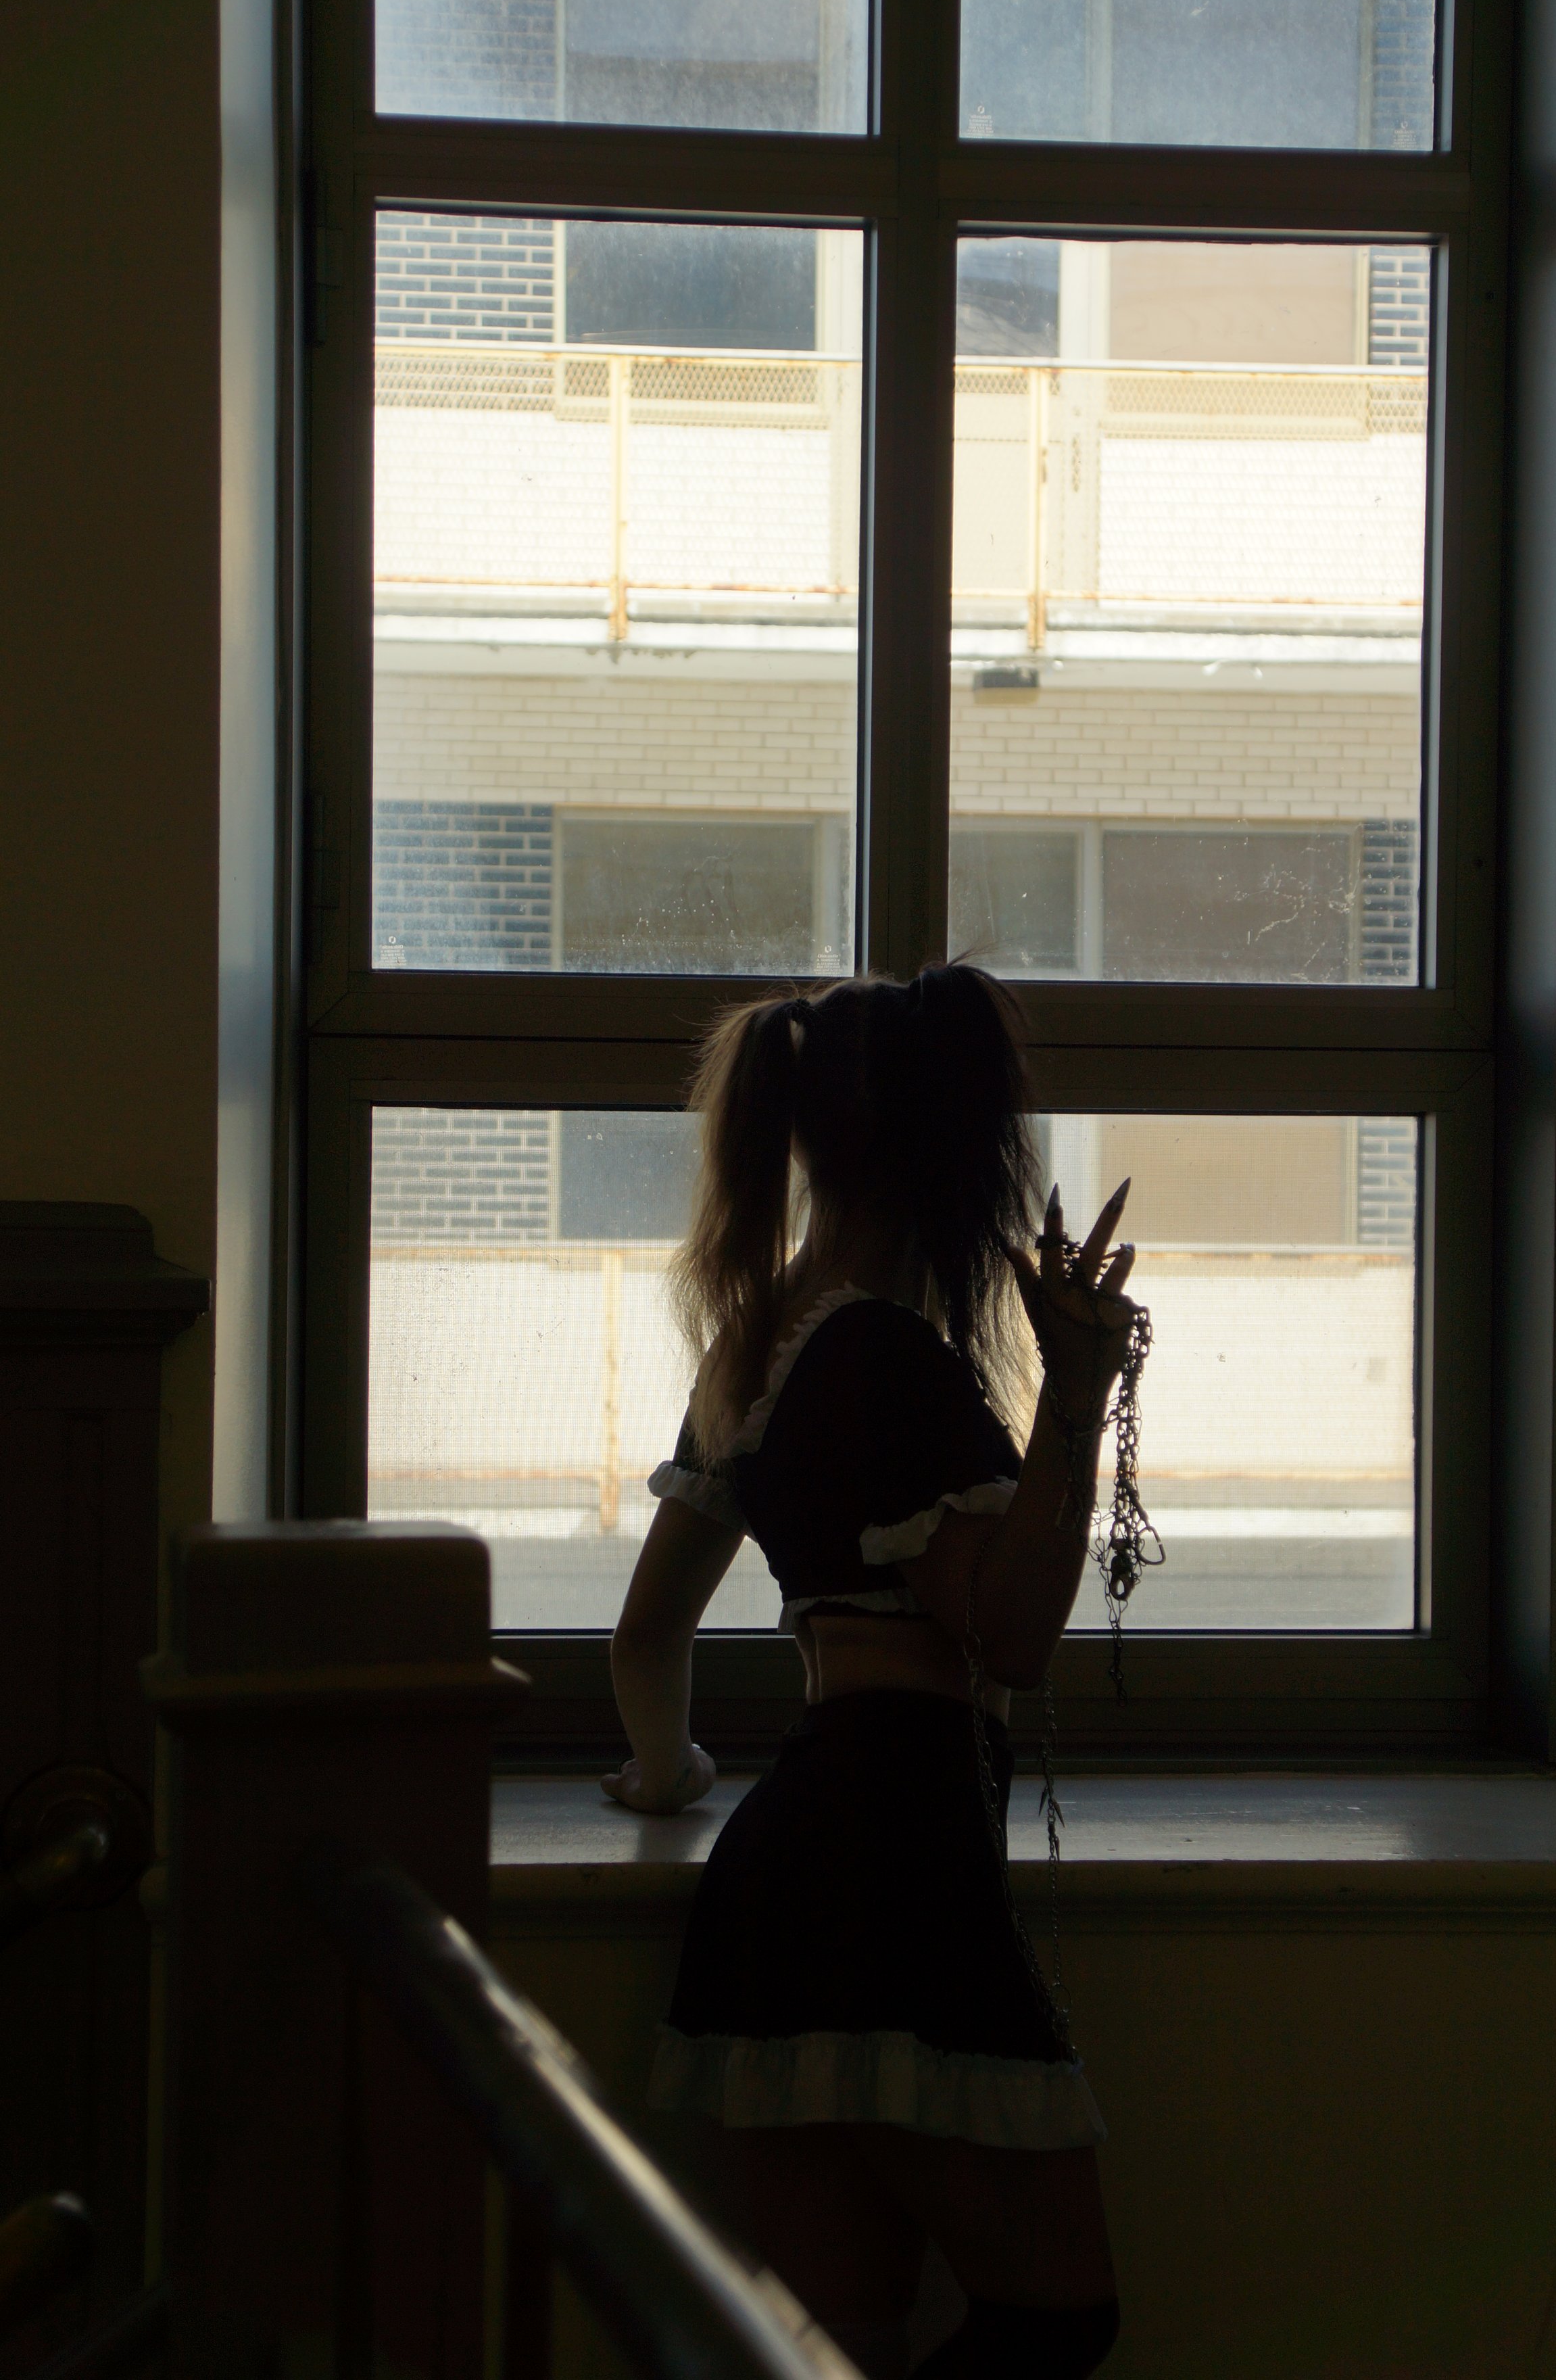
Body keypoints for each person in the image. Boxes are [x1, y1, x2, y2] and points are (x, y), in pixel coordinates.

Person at [602, 965, 1140, 2379]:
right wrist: (1075, 1396)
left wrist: (668, 1782)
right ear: (950, 1158)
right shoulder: (894, 1362)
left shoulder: (758, 1342)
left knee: (836, 2348)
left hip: (782, 1884)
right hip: (896, 1871)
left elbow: (643, 1637)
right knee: (1054, 2315)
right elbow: (1010, 1637)